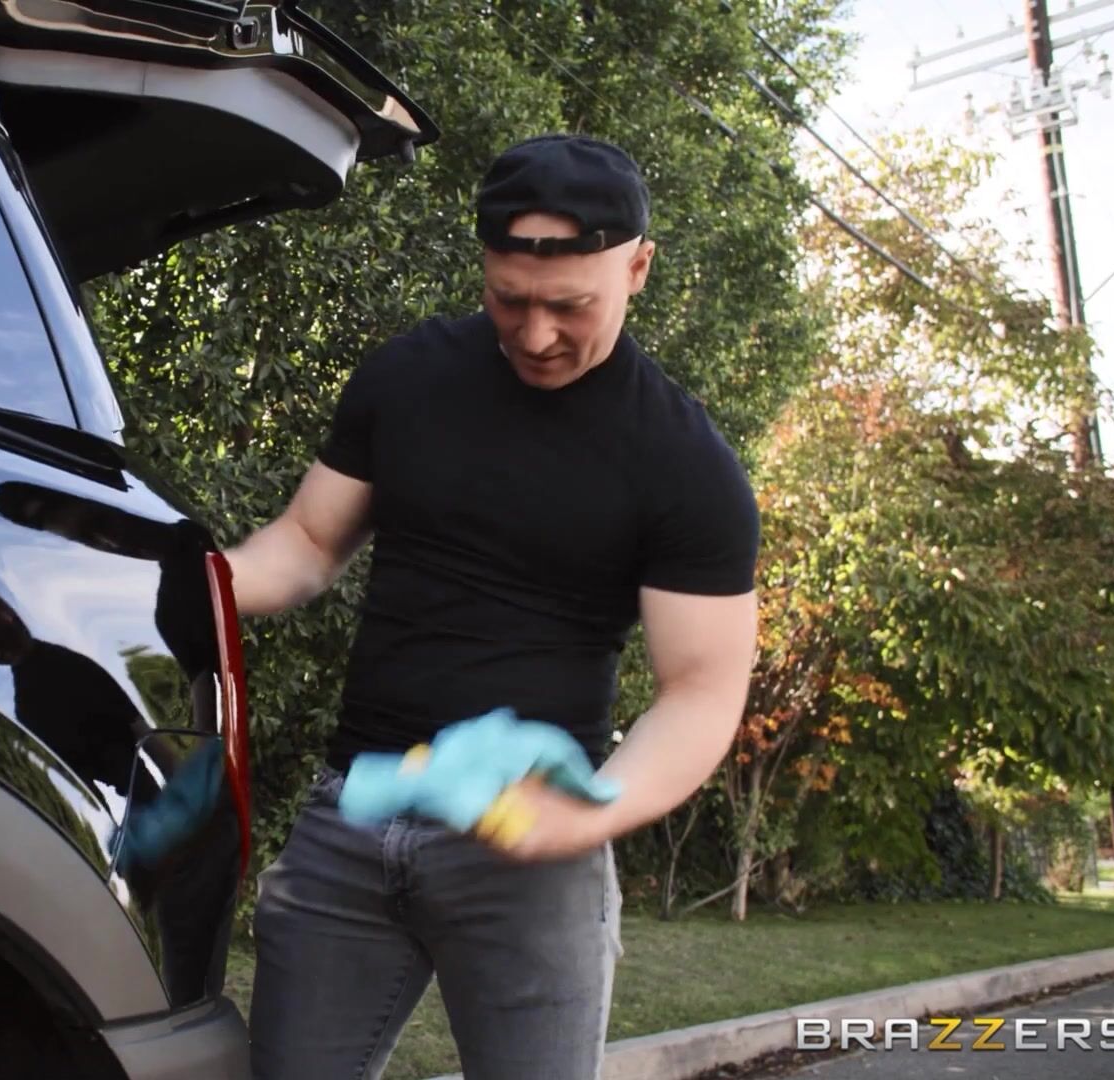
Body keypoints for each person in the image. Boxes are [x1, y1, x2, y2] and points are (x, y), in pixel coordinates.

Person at [229, 134, 761, 1080]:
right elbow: (306, 543)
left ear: (637, 269)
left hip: (533, 860)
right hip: (351, 819)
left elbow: (702, 692)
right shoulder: (407, 378)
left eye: (570, 307)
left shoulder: (684, 464)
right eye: (509, 299)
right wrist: (194, 584)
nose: (536, 334)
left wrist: (589, 814)